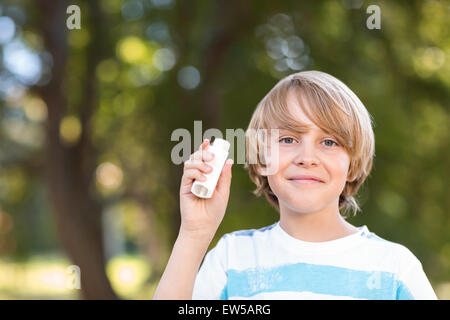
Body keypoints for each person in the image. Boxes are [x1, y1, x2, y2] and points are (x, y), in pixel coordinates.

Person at [153, 71, 437, 300]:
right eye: (288, 139)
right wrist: (194, 233)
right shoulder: (232, 260)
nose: (307, 158)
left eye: (329, 142)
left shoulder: (395, 269)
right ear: (262, 157)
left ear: (352, 164)